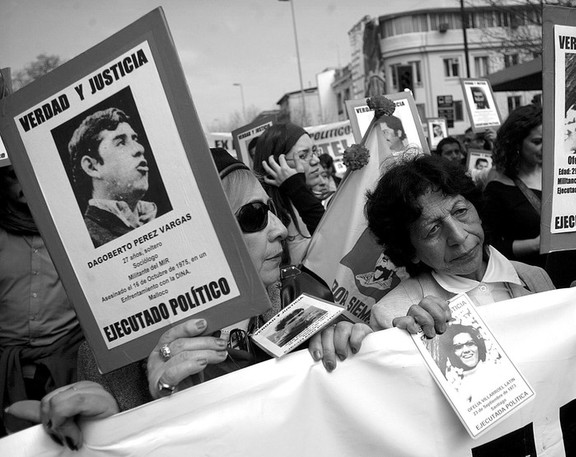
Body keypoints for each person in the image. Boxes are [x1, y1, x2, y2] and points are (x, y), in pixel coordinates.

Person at [7, 151, 370, 449]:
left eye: (271, 208)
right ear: (200, 236)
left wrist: (360, 347)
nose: (279, 229)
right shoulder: (112, 357)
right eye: (255, 216)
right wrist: (120, 422)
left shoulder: (302, 296)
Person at [365, 154, 576, 332]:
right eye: (433, 230)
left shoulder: (533, 277)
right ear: (409, 251)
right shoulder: (393, 314)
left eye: (461, 211)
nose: (458, 237)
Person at [482, 104, 576, 287]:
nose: (545, 148)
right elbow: (491, 247)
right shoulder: (498, 189)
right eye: (537, 142)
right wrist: (536, 244)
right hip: (546, 283)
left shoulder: (564, 173)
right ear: (516, 143)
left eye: (549, 140)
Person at [0, 166, 84, 437]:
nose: (22, 181)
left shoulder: (77, 226)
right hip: (7, 365)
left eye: (28, 169)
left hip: (71, 360)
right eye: (13, 175)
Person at [68, 108, 156, 248]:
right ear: (92, 167)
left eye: (135, 139)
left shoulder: (153, 218)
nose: (140, 148)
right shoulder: (87, 240)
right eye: (121, 142)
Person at [253, 123, 325, 265]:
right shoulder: (266, 217)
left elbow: (334, 240)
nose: (316, 160)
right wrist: (296, 187)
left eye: (314, 152)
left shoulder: (307, 201)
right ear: (275, 164)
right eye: (303, 155)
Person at [437, 324, 487, 403]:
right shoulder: (453, 386)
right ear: (453, 353)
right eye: (458, 347)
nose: (466, 350)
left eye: (470, 343)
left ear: (478, 346)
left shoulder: (494, 373)